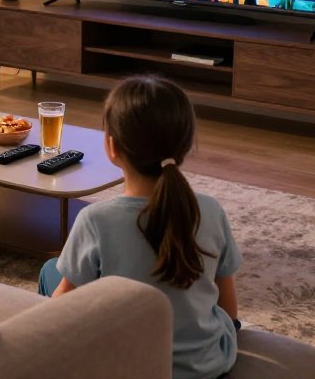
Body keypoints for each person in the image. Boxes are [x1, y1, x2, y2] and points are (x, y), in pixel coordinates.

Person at [38, 76, 241, 379]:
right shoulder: (210, 210)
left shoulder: (96, 221)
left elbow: (59, 313)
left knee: (51, 271)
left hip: (127, 366)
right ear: (184, 145)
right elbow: (229, 309)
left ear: (111, 147)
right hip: (207, 364)